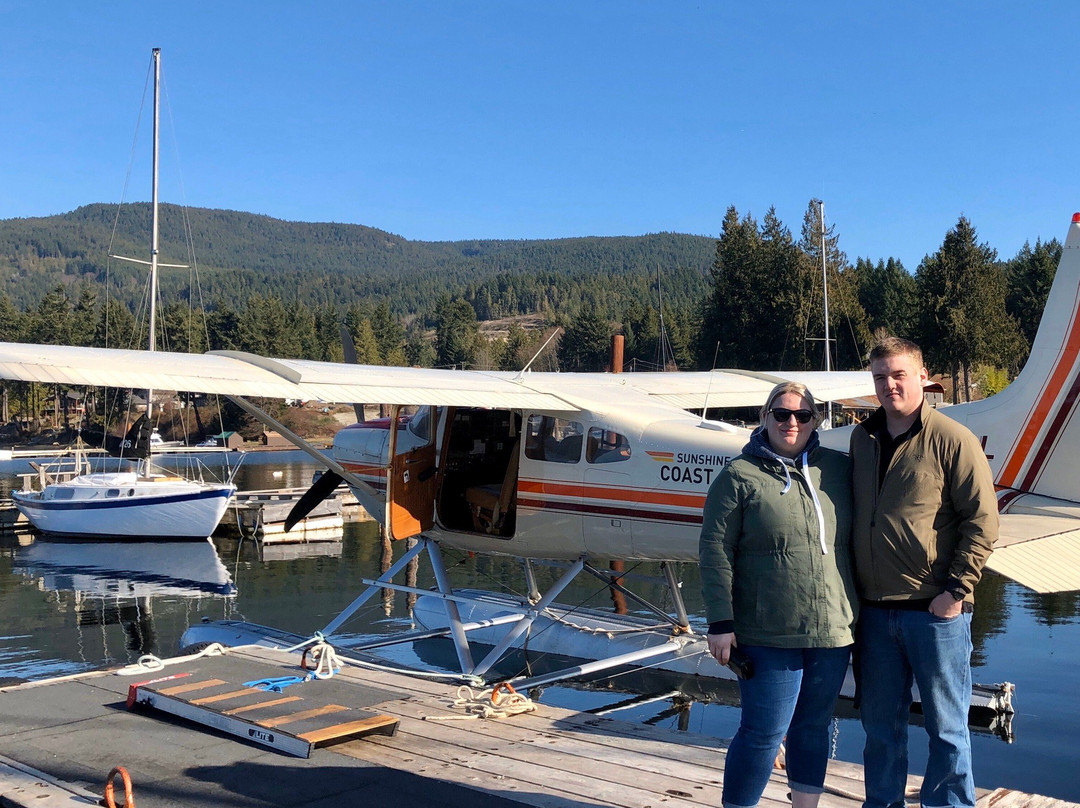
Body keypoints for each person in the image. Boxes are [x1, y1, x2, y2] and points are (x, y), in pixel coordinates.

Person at [850, 337, 997, 808]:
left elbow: (983, 520)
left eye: (897, 374)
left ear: (922, 375)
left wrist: (956, 591)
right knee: (880, 732)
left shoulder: (953, 438)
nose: (888, 385)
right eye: (879, 377)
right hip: (874, 614)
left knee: (948, 731)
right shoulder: (862, 438)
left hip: (935, 614)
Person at [700, 382, 858, 808]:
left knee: (813, 726)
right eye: (782, 414)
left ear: (816, 421)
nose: (792, 423)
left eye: (803, 415)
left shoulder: (839, 469)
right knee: (763, 731)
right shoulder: (739, 476)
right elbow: (715, 551)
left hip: (831, 628)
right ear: (765, 417)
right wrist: (720, 622)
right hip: (767, 630)